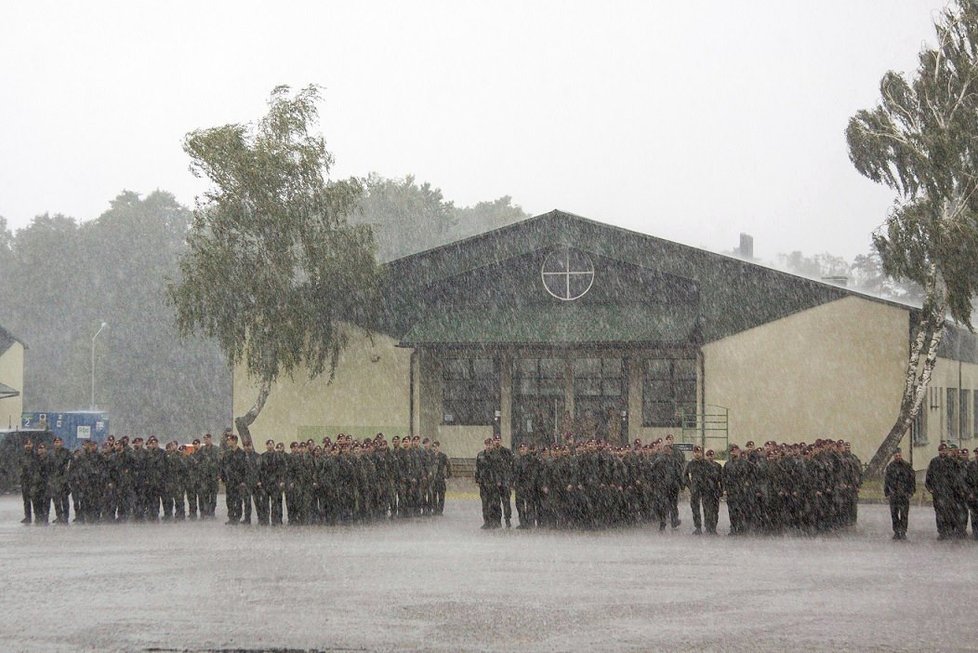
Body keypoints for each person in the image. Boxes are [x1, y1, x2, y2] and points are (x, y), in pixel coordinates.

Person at [883, 448, 915, 540]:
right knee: (894, 514)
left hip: (904, 494)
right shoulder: (890, 467)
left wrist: (911, 491)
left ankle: (903, 531)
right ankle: (896, 531)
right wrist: (887, 492)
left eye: (899, 455)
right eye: (896, 455)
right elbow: (887, 481)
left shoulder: (907, 466)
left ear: (901, 455)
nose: (898, 457)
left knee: (904, 514)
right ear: (894, 456)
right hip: (894, 494)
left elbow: (912, 480)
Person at [475, 438, 500, 528]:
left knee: (494, 503)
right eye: (487, 444)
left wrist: (498, 480)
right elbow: (477, 468)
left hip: (493, 482)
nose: (488, 446)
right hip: (483, 483)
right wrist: (477, 479)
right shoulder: (480, 455)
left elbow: (499, 469)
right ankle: (487, 521)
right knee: (485, 503)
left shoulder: (496, 455)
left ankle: (495, 522)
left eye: (490, 444)